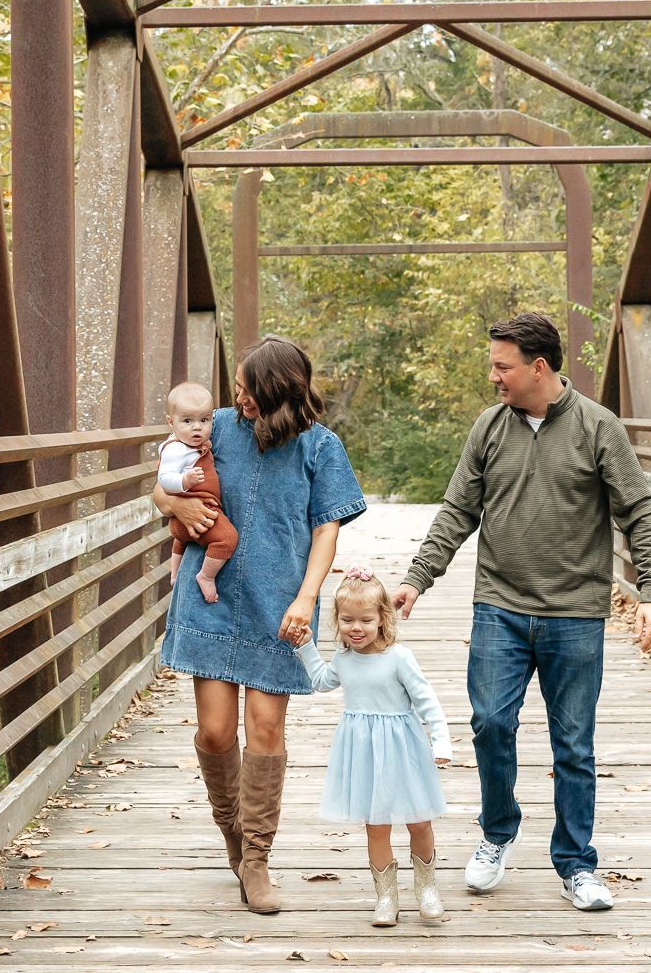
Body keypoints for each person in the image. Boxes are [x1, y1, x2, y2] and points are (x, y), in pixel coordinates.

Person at [393, 311, 651, 913]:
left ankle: (576, 863)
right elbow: (457, 510)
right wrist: (418, 579)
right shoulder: (489, 427)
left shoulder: (600, 428)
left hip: (576, 612)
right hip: (501, 606)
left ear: (537, 367)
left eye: (502, 366)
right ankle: (497, 833)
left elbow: (639, 511)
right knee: (491, 723)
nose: (493, 376)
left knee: (574, 743)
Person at [154, 336, 367, 915]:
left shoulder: (320, 449)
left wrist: (306, 598)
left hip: (279, 607)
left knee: (267, 733)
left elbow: (328, 530)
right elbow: (162, 480)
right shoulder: (216, 426)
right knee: (216, 733)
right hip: (212, 597)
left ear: (277, 393)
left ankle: (256, 857)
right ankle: (231, 831)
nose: (237, 397)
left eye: (248, 389)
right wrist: (174, 507)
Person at [290, 568, 451, 928]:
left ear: (383, 618)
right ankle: (386, 897)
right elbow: (321, 681)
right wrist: (305, 646)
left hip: (403, 747)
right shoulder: (345, 659)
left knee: (418, 820)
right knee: (375, 825)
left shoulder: (399, 658)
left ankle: (427, 888)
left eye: (365, 619)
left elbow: (427, 702)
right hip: (363, 751)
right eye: (347, 620)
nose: (355, 627)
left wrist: (440, 741)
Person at [159, 380, 238, 603]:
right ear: (170, 422)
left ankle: (175, 573)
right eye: (187, 421)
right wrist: (185, 481)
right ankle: (206, 575)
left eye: (204, 420)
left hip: (183, 526)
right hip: (199, 513)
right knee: (227, 539)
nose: (197, 427)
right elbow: (163, 480)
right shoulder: (176, 449)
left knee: (181, 541)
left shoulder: (191, 444)